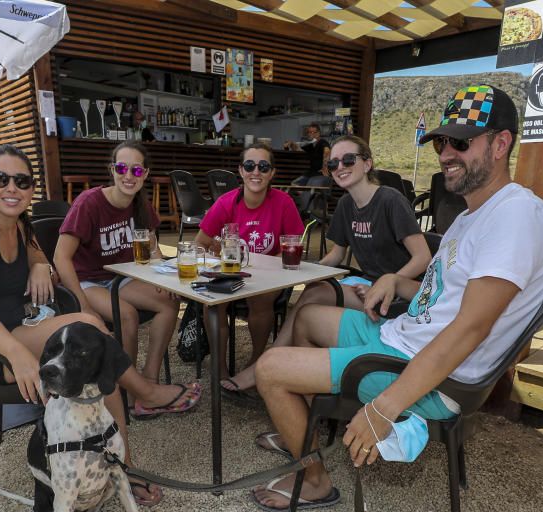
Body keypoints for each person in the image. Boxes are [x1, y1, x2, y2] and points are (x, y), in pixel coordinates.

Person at [250, 85, 543, 511]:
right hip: (403, 337)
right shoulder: (474, 215)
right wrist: (397, 283)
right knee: (308, 317)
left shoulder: (516, 216)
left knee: (269, 369)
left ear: (500, 143)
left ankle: (315, 479)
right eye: (441, 142)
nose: (446, 153)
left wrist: (384, 408)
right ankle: (304, 432)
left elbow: (471, 328)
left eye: (461, 142)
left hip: (425, 371)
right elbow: (443, 299)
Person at [0, 143, 198, 506]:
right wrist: (18, 355)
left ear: (31, 189)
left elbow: (41, 252)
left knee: (90, 336)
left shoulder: (18, 223)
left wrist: (40, 264)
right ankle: (142, 408)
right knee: (91, 338)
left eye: (22, 181)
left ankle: (123, 462)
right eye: (1, 178)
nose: (12, 187)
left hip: (11, 329)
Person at [221, 135, 431, 399]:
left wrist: (388, 282)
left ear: (367, 164)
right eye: (333, 164)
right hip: (366, 285)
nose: (339, 167)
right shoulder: (346, 205)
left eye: (348, 160)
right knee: (313, 291)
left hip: (402, 294)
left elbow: (422, 257)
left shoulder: (389, 200)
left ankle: (265, 368)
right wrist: (304, 271)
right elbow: (336, 255)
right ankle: (292, 382)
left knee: (314, 294)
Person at [54, 140, 197, 419]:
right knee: (127, 315)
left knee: (169, 303)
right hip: (88, 280)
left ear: (144, 174)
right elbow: (61, 257)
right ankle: (128, 392)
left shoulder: (141, 205)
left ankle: (148, 384)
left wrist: (162, 279)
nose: (128, 176)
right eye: (122, 168)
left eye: (136, 170)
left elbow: (153, 249)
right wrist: (82, 305)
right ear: (112, 169)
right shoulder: (89, 203)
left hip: (122, 278)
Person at [194, 143, 304, 383]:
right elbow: (199, 243)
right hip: (232, 272)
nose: (256, 172)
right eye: (250, 165)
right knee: (212, 302)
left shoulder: (283, 202)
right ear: (241, 171)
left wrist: (263, 266)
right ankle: (219, 369)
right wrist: (213, 255)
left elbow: (293, 249)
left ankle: (256, 363)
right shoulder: (226, 202)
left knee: (260, 296)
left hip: (269, 275)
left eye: (263, 166)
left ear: (272, 173)